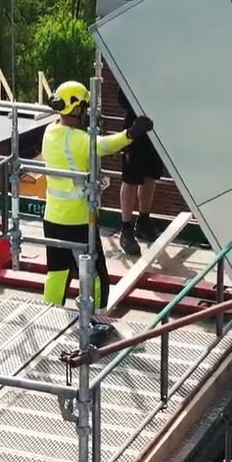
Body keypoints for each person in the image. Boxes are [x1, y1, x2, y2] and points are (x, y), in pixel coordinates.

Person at [41, 80, 154, 335]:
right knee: (96, 275)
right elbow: (104, 145)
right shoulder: (80, 140)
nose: (87, 111)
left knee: (57, 271)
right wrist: (131, 134)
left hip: (52, 217)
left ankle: (48, 317)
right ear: (77, 109)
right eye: (84, 106)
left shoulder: (49, 133)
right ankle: (95, 322)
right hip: (79, 220)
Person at [117, 88, 165, 257]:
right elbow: (121, 97)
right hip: (135, 129)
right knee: (130, 178)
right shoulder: (131, 67)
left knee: (150, 176)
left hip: (155, 128)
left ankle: (143, 222)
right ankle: (126, 229)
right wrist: (138, 110)